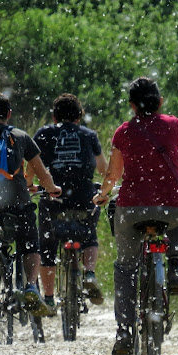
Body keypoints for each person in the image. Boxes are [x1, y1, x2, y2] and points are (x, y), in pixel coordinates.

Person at [93, 77, 178, 355]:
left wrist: (103, 194)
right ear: (160, 102)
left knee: (125, 267)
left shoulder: (124, 131)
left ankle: (124, 331)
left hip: (132, 208)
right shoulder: (174, 125)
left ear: (132, 106)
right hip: (169, 209)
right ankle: (173, 266)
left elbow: (112, 175)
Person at [0, 92, 62, 317]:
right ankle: (31, 286)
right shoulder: (20, 136)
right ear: (9, 114)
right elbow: (42, 172)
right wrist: (52, 189)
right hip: (17, 206)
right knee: (30, 244)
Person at [33, 93, 108, 315]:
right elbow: (103, 169)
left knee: (47, 245)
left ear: (54, 116)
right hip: (83, 196)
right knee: (89, 231)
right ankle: (90, 274)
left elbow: (32, 166)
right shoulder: (89, 135)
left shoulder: (44, 134)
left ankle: (48, 299)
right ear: (79, 116)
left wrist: (31, 185)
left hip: (54, 197)